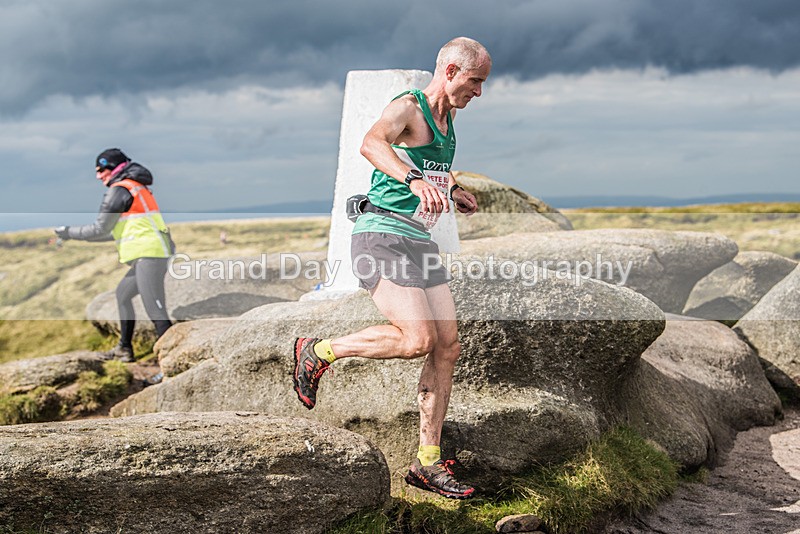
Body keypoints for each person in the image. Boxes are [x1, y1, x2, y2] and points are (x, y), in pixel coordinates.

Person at [293, 37, 489, 499]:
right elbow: (371, 143)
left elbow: (434, 164)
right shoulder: (409, 108)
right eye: (476, 81)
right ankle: (317, 352)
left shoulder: (449, 118)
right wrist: (413, 179)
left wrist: (453, 188)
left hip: (418, 241)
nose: (479, 92)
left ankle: (428, 463)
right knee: (416, 338)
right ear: (451, 71)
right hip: (380, 236)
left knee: (447, 346)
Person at [55, 148, 174, 362]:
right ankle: (124, 349)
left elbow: (100, 228)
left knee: (156, 311)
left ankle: (171, 363)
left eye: (102, 170)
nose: (98, 176)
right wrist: (75, 237)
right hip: (149, 253)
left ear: (115, 168)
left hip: (149, 255)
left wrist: (68, 231)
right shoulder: (136, 186)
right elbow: (117, 231)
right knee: (123, 295)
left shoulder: (119, 190)